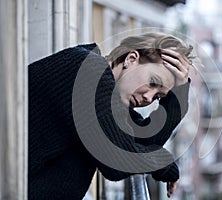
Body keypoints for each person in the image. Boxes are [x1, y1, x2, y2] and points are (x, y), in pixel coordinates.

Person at [28, 32, 193, 199]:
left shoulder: (107, 96)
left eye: (158, 97)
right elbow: (117, 161)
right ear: (131, 59)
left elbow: (143, 140)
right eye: (153, 83)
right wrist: (163, 162)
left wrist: (178, 94)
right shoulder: (87, 70)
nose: (149, 98)